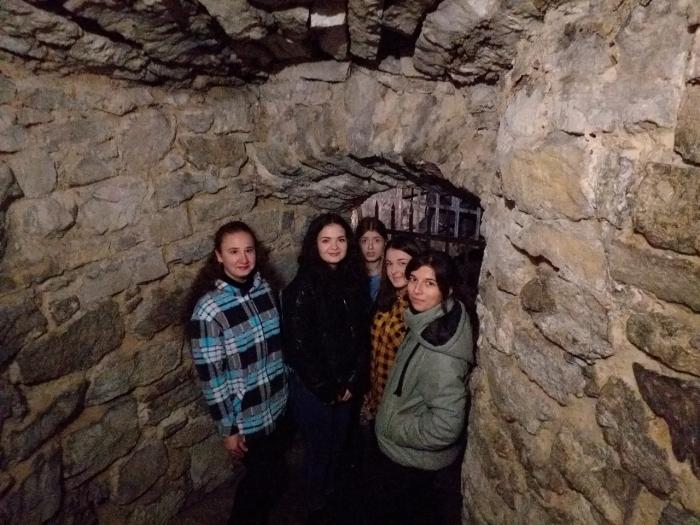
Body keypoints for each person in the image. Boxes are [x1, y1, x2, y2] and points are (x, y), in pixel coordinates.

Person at [188, 221, 288, 525]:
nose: (243, 259)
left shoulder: (266, 290)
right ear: (219, 256)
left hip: (278, 403)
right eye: (233, 252)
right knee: (256, 484)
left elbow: (278, 347)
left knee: (271, 474)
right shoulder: (209, 310)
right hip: (247, 416)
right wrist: (228, 429)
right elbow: (212, 377)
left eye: (248, 250)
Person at [372, 251, 474, 525]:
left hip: (414, 465)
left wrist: (393, 426)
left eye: (430, 283)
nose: (416, 290)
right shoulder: (430, 321)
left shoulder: (441, 354)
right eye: (413, 279)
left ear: (447, 290)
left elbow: (446, 427)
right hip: (409, 459)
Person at [282, 213, 371, 524]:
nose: (334, 246)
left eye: (341, 239)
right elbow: (299, 348)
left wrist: (352, 381)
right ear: (314, 245)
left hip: (346, 384)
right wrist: (329, 388)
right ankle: (315, 506)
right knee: (319, 449)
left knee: (337, 445)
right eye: (326, 240)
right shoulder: (302, 287)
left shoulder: (353, 280)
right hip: (314, 389)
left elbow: (361, 337)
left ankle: (330, 495)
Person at [362, 235, 424, 424]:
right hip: (376, 399)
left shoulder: (420, 306)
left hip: (401, 409)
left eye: (402, 263)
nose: (393, 271)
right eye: (389, 264)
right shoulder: (388, 298)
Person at [355, 217, 388, 303]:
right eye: (364, 241)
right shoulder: (351, 275)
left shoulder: (391, 275)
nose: (370, 247)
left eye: (377, 240)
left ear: (385, 243)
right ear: (358, 244)